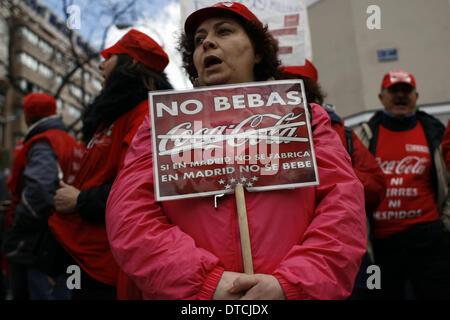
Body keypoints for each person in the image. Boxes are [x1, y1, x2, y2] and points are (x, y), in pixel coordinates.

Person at [105, 2, 366, 300]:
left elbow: (343, 206)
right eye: (199, 39)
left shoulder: (306, 116)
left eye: (224, 31)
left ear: (257, 52)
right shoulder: (161, 123)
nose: (207, 42)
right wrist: (204, 283)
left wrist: (290, 285)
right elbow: (129, 213)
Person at [50, 29, 173, 300]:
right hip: (80, 254)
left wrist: (80, 200)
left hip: (105, 266)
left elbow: (141, 192)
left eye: (110, 56)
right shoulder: (111, 117)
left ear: (130, 63)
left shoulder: (146, 116)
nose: (100, 63)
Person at [281, 61, 387, 299]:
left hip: (340, 248)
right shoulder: (260, 130)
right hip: (285, 254)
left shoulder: (338, 130)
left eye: (297, 87)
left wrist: (335, 174)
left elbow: (376, 186)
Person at [355, 69, 450, 299]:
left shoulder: (435, 131)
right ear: (381, 98)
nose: (400, 96)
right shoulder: (364, 135)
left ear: (416, 96)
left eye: (406, 91)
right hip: (382, 246)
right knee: (381, 295)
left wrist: (445, 225)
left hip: (430, 240)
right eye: (393, 91)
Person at [1, 93, 81, 300]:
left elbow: (39, 192)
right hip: (63, 236)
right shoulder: (69, 141)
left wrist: (19, 219)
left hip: (36, 243)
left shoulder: (43, 141)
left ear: (28, 117)